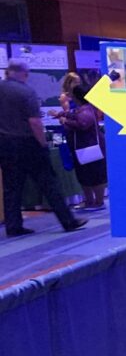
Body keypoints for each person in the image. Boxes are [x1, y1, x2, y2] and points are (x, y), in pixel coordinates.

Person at [0, 60, 85, 237]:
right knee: (49, 184)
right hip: (28, 144)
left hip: (6, 144)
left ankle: (13, 226)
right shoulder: (25, 91)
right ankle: (68, 221)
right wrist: (43, 144)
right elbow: (35, 122)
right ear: (23, 73)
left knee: (11, 188)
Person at [57, 85, 107, 211]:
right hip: (81, 148)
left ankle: (99, 202)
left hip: (91, 148)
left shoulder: (87, 110)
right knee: (84, 175)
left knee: (95, 175)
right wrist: (63, 114)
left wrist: (64, 121)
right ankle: (90, 201)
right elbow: (75, 116)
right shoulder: (82, 109)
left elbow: (82, 124)